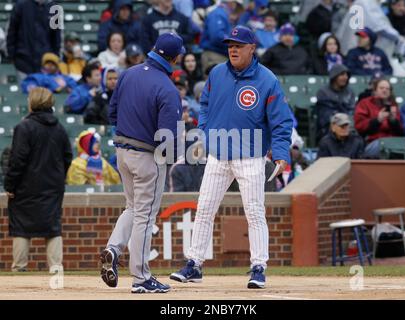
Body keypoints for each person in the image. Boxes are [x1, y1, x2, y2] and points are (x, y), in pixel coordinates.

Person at [170, 26, 293, 289]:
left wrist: (281, 153)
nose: (233, 49)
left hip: (250, 155)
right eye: (230, 45)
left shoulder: (267, 79)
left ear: (252, 48)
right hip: (218, 154)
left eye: (238, 45)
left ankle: (258, 267)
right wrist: (204, 132)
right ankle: (195, 264)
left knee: (255, 213)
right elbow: (204, 104)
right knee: (204, 209)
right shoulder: (217, 73)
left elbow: (282, 121)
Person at [100, 33, 184, 293]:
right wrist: (166, 161)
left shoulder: (127, 73)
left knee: (133, 208)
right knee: (145, 218)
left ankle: (113, 249)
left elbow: (111, 112)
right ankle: (141, 278)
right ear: (175, 57)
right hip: (147, 156)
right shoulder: (168, 88)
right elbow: (167, 137)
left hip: (122, 152)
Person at [4, 87, 73, 272]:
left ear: (32, 103)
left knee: (21, 227)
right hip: (53, 188)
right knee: (52, 226)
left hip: (26, 187)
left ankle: (19, 268)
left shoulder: (24, 127)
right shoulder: (59, 128)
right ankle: (56, 269)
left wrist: (10, 185)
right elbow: (68, 156)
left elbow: (17, 160)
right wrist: (58, 176)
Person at [6, 0, 61, 79]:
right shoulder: (21, 4)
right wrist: (11, 55)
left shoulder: (54, 7)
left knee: (44, 91)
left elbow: (57, 36)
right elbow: (11, 31)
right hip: (23, 62)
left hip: (46, 64)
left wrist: (55, 57)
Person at [354, 78, 403, 158]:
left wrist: (393, 121)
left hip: (393, 142)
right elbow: (359, 126)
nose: (384, 90)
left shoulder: (393, 105)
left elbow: (401, 132)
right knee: (382, 146)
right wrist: (377, 120)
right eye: (381, 88)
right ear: (375, 90)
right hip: (372, 142)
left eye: (387, 89)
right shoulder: (365, 103)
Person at [199, 0, 244, 73]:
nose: (236, 8)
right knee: (216, 83)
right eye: (236, 4)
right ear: (231, 3)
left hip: (221, 55)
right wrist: (237, 45)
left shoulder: (224, 14)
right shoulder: (218, 13)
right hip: (214, 55)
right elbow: (216, 37)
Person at [315, 64, 356, 142]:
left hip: (348, 124)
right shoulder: (323, 92)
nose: (345, 77)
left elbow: (352, 110)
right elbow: (324, 114)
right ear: (334, 76)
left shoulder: (350, 92)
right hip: (329, 125)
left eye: (347, 75)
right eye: (342, 75)